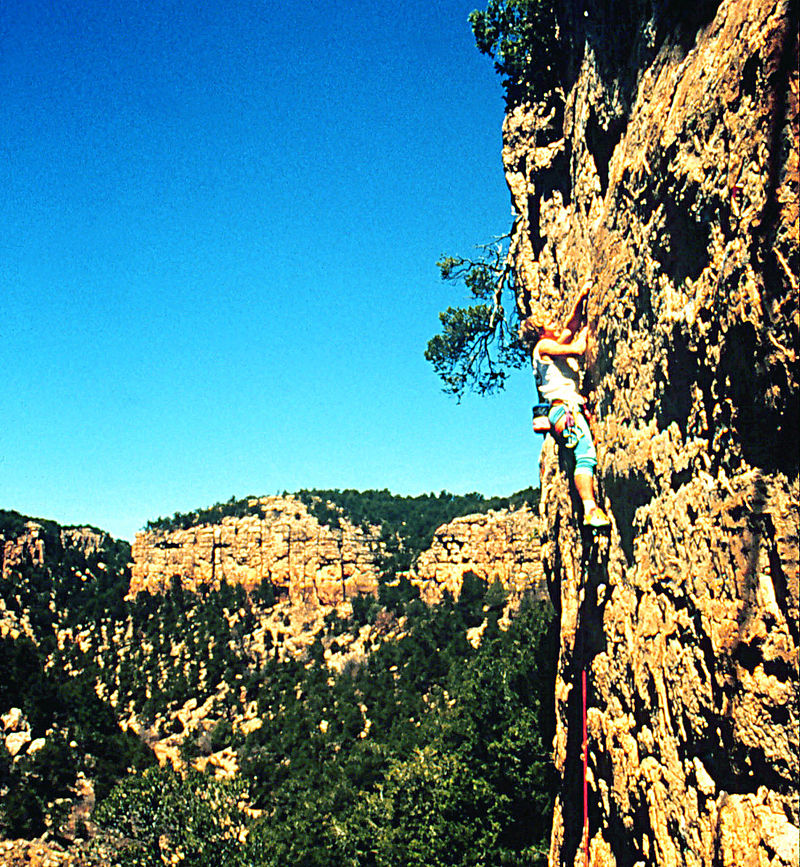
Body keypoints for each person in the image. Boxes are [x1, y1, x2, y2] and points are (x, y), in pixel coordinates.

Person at [519, 283, 611, 528]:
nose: (553, 322)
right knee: (586, 456)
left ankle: (589, 506)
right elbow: (577, 348)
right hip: (566, 409)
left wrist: (581, 298)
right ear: (540, 331)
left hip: (560, 411)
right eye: (547, 322)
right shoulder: (544, 346)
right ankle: (590, 508)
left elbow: (570, 326)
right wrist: (587, 334)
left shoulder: (546, 348)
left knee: (582, 455)